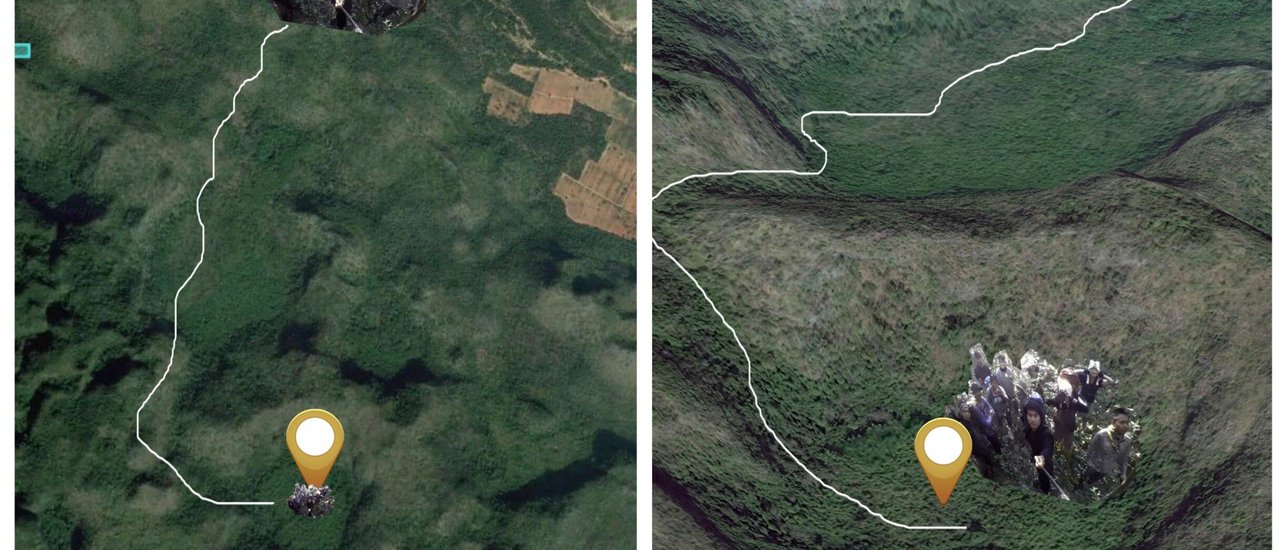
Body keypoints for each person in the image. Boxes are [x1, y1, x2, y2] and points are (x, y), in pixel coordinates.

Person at [1087, 407, 1134, 484]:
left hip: (1112, 480)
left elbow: (1124, 461)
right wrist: (1092, 468)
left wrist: (1123, 475)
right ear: (1113, 422)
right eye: (1122, 422)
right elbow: (1089, 455)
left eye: (1127, 423)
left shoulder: (1127, 442)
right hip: (1093, 477)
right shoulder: (1101, 435)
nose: (1125, 426)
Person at [952, 400, 996, 478]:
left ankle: (992, 471)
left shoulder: (975, 420)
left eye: (968, 412)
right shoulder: (963, 425)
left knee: (990, 462)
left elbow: (984, 425)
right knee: (984, 468)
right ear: (961, 414)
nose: (967, 414)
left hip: (985, 446)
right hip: (977, 451)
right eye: (964, 412)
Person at [1022, 398, 1056, 494]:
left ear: (1041, 416)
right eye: (1029, 415)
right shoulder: (1028, 428)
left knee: (1044, 478)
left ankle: (1045, 491)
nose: (1032, 419)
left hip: (1044, 462)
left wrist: (1042, 457)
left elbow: (1047, 448)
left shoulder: (1046, 433)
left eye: (1035, 416)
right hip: (1034, 457)